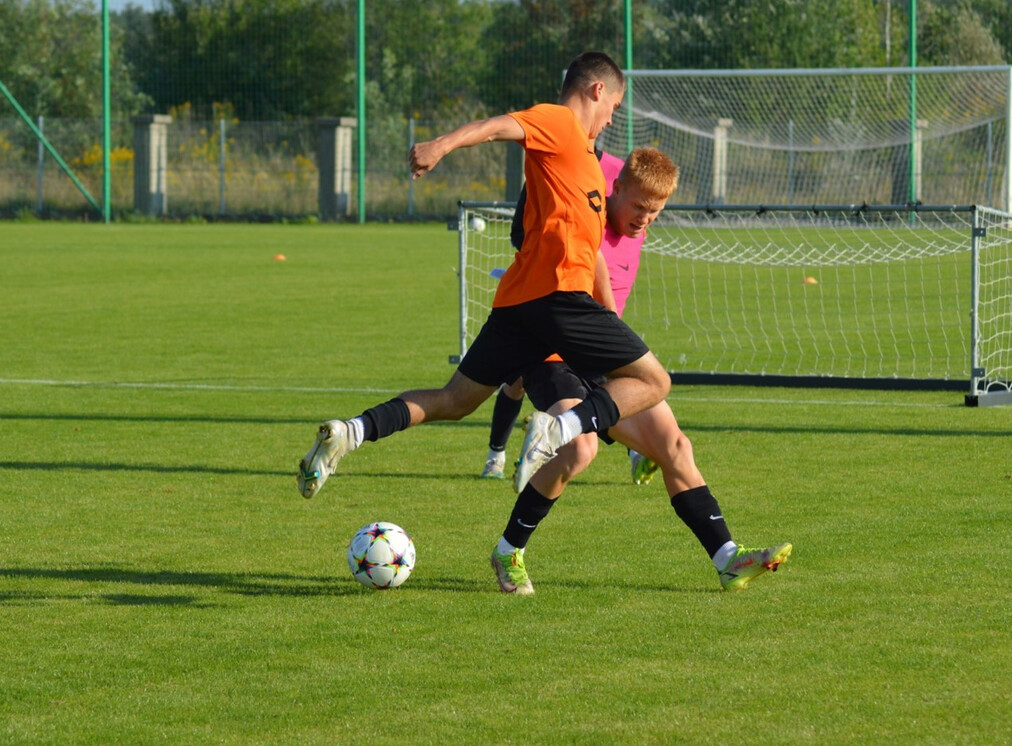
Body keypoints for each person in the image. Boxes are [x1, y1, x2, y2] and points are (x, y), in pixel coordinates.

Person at [297, 51, 672, 500]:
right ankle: (560, 430)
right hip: (557, 297)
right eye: (614, 107)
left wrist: (608, 315)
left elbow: (584, 247)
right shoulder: (558, 122)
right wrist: (440, 145)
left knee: (456, 400)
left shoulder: (582, 161)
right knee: (655, 382)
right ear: (596, 91)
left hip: (521, 302)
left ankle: (350, 432)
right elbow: (498, 126)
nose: (612, 120)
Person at [488, 147, 792, 594]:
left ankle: (727, 558)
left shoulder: (638, 214)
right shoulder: (587, 212)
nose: (645, 219)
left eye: (656, 211)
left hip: (604, 360)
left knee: (674, 445)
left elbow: (621, 168)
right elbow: (566, 150)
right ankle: (507, 552)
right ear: (615, 188)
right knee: (579, 450)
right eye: (638, 207)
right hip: (552, 356)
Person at [480, 148, 659, 487]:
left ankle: (636, 453)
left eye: (653, 210)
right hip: (548, 313)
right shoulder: (575, 166)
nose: (645, 216)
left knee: (618, 387)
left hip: (589, 329)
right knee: (514, 384)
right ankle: (496, 456)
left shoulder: (626, 189)